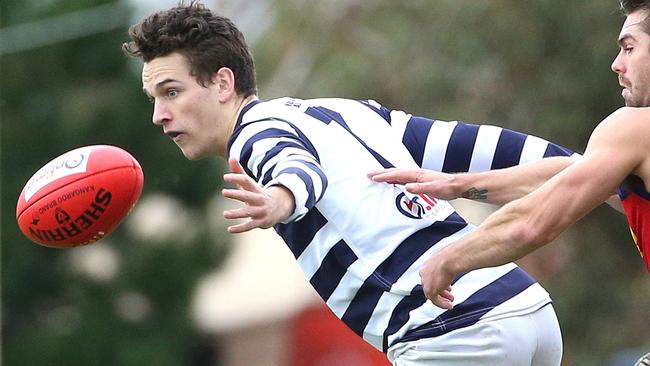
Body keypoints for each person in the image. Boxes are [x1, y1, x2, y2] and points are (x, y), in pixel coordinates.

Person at [123, 1, 573, 364]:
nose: (159, 115)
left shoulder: (254, 135)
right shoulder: (347, 111)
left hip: (452, 332)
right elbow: (478, 146)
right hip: (528, 312)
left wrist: (280, 201)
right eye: (154, 98)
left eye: (171, 92)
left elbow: (296, 169)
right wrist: (593, 167)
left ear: (223, 83)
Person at [369, 0, 650, 312]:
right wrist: (459, 184)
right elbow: (571, 174)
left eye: (629, 48)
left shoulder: (635, 129)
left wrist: (449, 258)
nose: (616, 63)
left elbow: (534, 222)